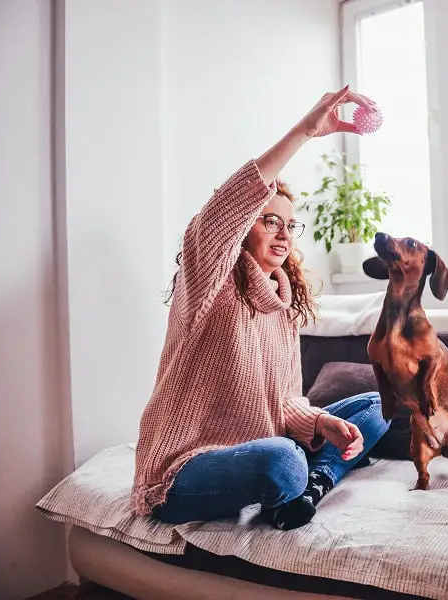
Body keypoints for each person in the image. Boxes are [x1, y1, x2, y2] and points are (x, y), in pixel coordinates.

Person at [130, 86, 390, 531]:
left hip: (261, 445)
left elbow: (283, 403)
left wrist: (321, 421)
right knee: (284, 460)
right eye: (269, 220)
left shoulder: (284, 306)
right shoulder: (208, 283)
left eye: (290, 224)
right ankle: (301, 480)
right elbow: (216, 217)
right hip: (182, 469)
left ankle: (311, 489)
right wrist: (305, 132)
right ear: (242, 227)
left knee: (377, 404)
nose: (284, 233)